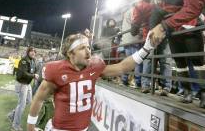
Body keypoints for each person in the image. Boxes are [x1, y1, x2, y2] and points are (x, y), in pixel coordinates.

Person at [27, 32, 156, 131]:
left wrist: (146, 48)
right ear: (70, 53)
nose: (88, 51)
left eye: (88, 47)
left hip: (84, 128)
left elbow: (122, 67)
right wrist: (30, 127)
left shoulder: (94, 67)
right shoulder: (57, 70)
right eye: (82, 48)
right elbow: (38, 99)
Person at [8, 47, 39, 131]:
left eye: (34, 52)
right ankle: (15, 125)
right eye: (31, 51)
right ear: (28, 52)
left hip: (27, 84)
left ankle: (12, 115)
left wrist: (35, 74)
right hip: (22, 84)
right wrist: (33, 76)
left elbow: (34, 70)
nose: (33, 53)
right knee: (21, 104)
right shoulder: (24, 60)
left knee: (29, 101)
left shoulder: (33, 61)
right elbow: (23, 73)